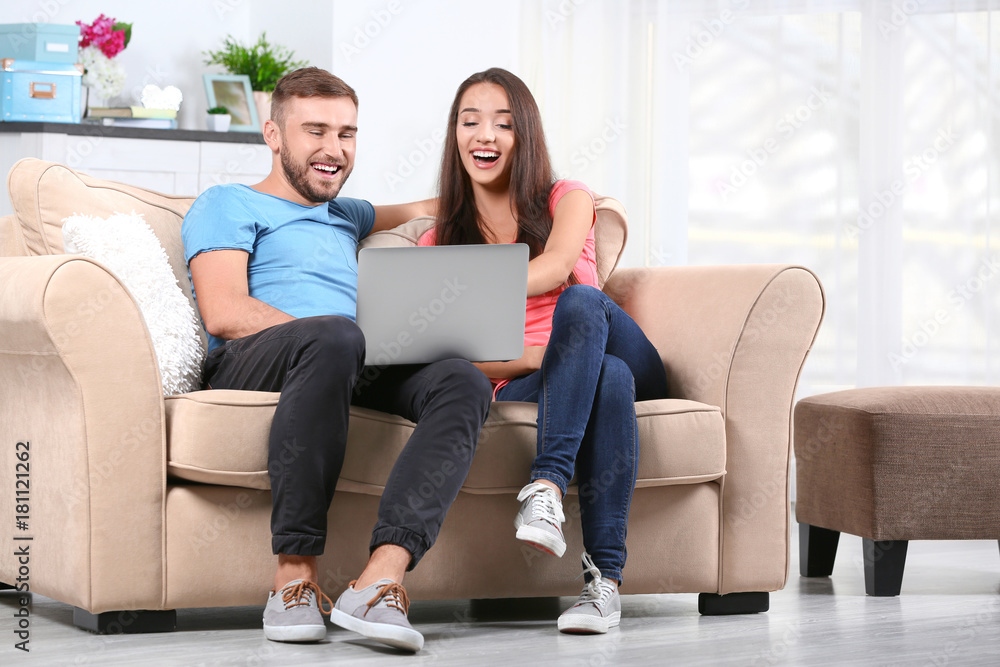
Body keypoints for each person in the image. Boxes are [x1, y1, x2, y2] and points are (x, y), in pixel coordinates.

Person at [181, 67, 492, 653]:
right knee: (336, 337)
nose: (334, 149)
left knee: (461, 379)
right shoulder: (226, 202)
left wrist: (553, 192)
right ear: (273, 135)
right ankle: (294, 577)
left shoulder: (346, 215)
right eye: (315, 131)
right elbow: (224, 311)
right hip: (258, 358)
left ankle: (380, 578)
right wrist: (340, 334)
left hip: (350, 355)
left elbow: (442, 202)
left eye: (347, 134)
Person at [415, 68, 670, 634]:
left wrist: (467, 285)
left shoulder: (566, 197)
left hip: (611, 339)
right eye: (470, 121)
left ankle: (547, 484)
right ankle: (604, 585)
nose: (486, 135)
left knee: (580, 302)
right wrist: (536, 359)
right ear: (454, 134)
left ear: (524, 133)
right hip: (548, 375)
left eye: (503, 124)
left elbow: (557, 268)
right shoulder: (441, 237)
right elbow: (458, 359)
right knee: (607, 380)